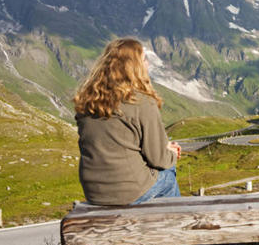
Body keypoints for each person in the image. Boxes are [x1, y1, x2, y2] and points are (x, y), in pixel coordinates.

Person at [73, 38, 182, 205]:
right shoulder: (141, 101)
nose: (148, 64)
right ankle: (176, 224)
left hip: (94, 191)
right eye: (144, 59)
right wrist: (172, 152)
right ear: (135, 66)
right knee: (168, 172)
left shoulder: (87, 101)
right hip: (128, 190)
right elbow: (159, 159)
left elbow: (117, 142)